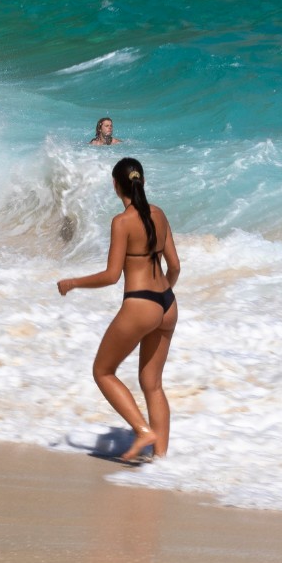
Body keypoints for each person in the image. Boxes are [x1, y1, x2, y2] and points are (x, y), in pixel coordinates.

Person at [56, 157, 180, 465]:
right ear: (142, 182)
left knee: (102, 371)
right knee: (152, 384)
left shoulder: (122, 222)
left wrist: (73, 282)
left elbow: (112, 275)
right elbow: (175, 266)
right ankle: (161, 464)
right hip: (168, 303)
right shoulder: (159, 215)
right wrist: (163, 293)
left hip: (140, 304)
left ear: (116, 185)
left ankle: (143, 431)